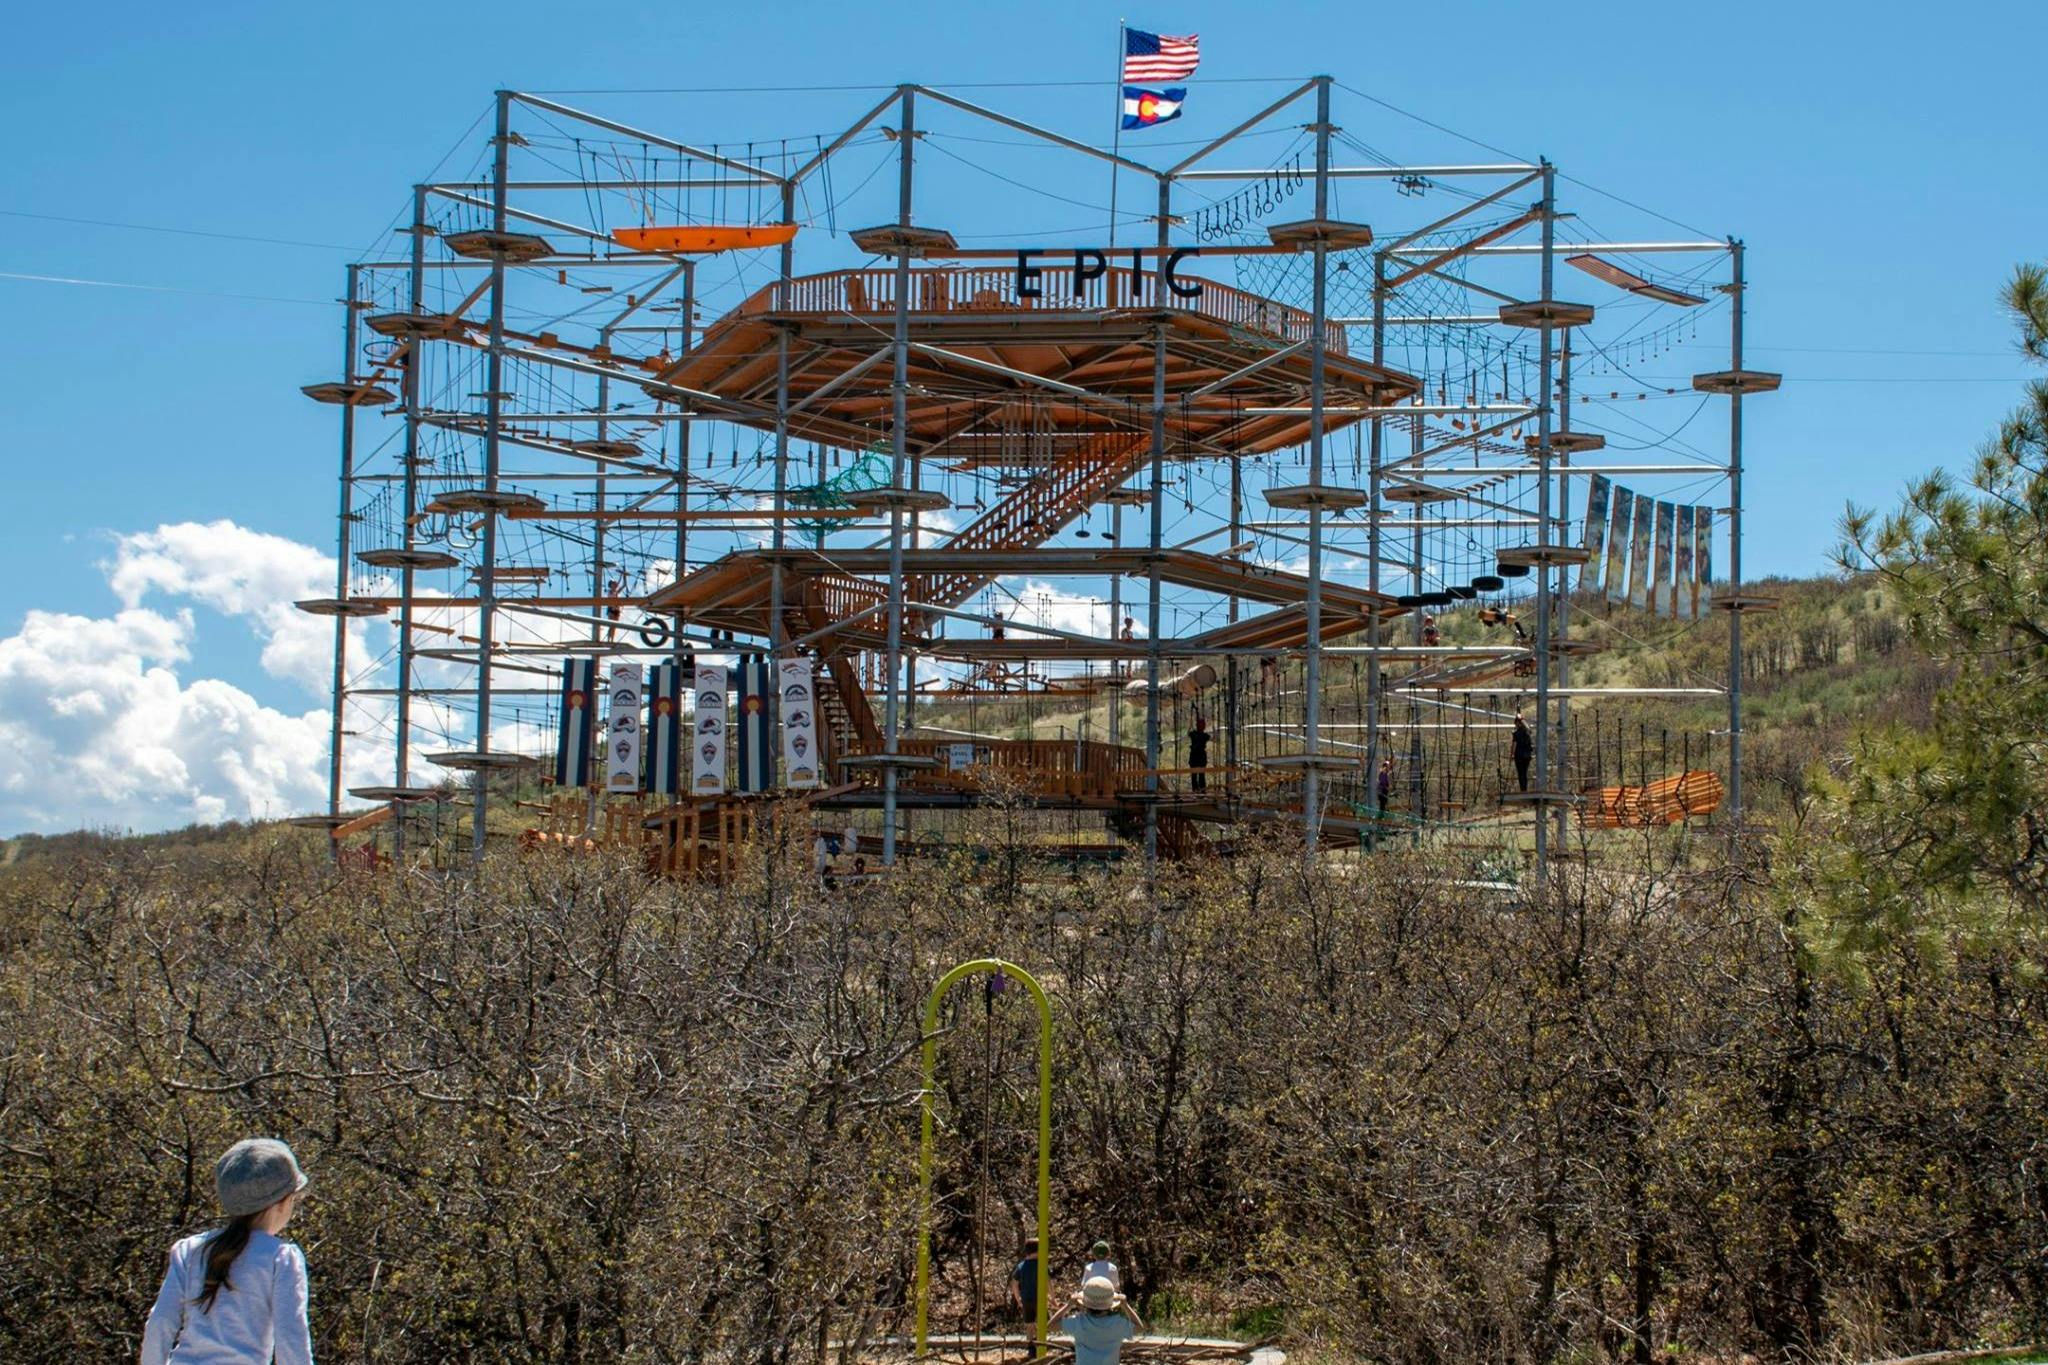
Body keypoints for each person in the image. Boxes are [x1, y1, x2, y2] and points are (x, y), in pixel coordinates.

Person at [141, 1138, 314, 1365]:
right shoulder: (281, 1258)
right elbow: (291, 1339)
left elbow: (160, 1323)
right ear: (282, 1202)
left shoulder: (191, 1250)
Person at [1059, 1275, 1146, 1365]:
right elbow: (1140, 1327)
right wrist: (1125, 1305)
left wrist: (1068, 1304)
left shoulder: (1078, 1322)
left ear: (1085, 1303)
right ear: (1110, 1304)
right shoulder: (1118, 1324)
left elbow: (1050, 1326)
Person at [1008, 1237, 1041, 1328]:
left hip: (1026, 1299)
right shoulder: (1041, 1264)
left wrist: (1018, 1299)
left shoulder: (1021, 1266)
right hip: (1039, 1299)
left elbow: (1014, 1283)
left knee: (1029, 1325)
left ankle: (1029, 1341)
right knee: (1043, 1324)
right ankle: (1040, 1340)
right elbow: (1049, 1282)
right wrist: (1053, 1298)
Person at [1186, 715, 1211, 792]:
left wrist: (1190, 724)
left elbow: (1189, 733)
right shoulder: (1205, 736)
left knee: (1196, 775)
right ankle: (1201, 791)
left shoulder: (1195, 734)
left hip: (1195, 757)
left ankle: (1197, 790)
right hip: (1199, 757)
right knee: (1200, 775)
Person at [1512, 714, 1534, 792]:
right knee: (1524, 773)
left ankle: (1523, 790)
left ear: (1517, 723)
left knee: (1520, 773)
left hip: (1519, 756)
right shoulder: (1528, 732)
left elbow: (1514, 745)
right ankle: (1525, 789)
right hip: (1527, 756)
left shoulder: (1516, 733)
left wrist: (1512, 754)